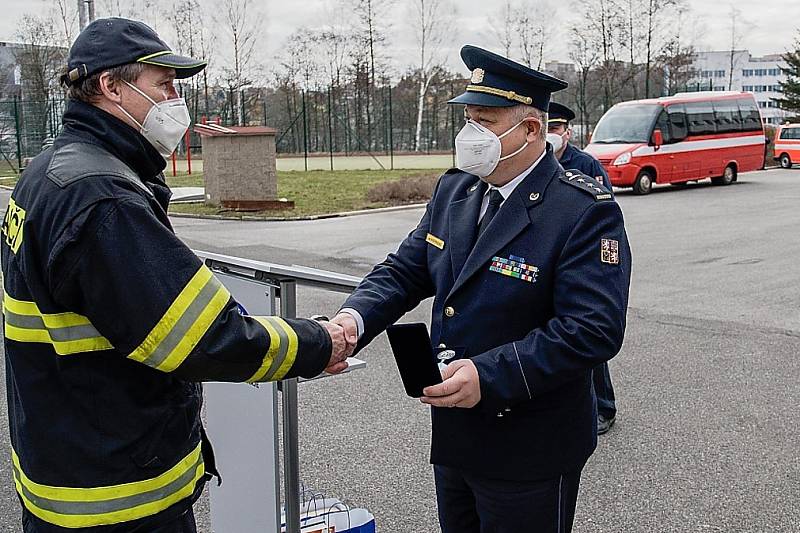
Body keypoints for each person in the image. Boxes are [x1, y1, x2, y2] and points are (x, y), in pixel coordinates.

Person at [1, 18, 351, 533]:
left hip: (65, 464)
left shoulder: (51, 170)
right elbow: (202, 337)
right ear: (110, 87)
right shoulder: (102, 196)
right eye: (163, 84)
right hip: (119, 496)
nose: (175, 99)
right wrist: (316, 343)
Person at [332, 45, 632, 533]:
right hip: (456, 431)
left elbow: (592, 329)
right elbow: (407, 269)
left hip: (530, 443)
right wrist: (353, 320)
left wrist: (489, 375)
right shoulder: (457, 190)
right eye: (467, 118)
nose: (469, 134)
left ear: (531, 128)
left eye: (485, 121)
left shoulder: (581, 209)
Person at [547, 101, 619, 435]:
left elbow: (605, 212)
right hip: (545, 261)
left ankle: (604, 407)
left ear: (567, 132)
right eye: (548, 128)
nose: (552, 135)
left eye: (556, 129)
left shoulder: (584, 165)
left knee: (587, 342)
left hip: (577, 259)